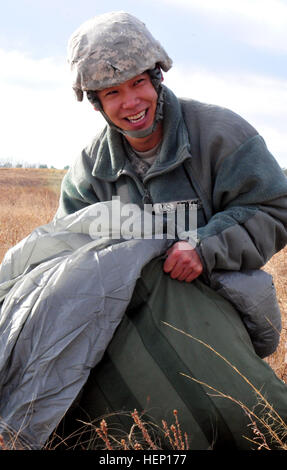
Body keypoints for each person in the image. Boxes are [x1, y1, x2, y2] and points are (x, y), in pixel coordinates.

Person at [1, 11, 287, 451]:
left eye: (138, 83)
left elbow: (274, 207)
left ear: (156, 78)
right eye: (112, 92)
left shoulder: (220, 133)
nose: (130, 102)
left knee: (246, 418)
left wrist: (204, 246)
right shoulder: (88, 172)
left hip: (215, 302)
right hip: (124, 318)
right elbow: (69, 258)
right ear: (96, 102)